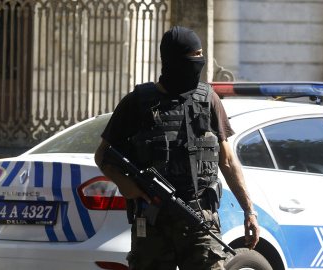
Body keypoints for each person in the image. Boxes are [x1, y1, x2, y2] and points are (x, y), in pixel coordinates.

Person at [94, 26, 259, 270]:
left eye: (201, 54)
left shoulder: (209, 99)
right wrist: (125, 184)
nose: (199, 61)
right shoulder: (137, 101)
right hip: (152, 224)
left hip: (200, 221)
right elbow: (102, 156)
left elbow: (227, 161)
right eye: (194, 55)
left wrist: (249, 211)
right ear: (174, 60)